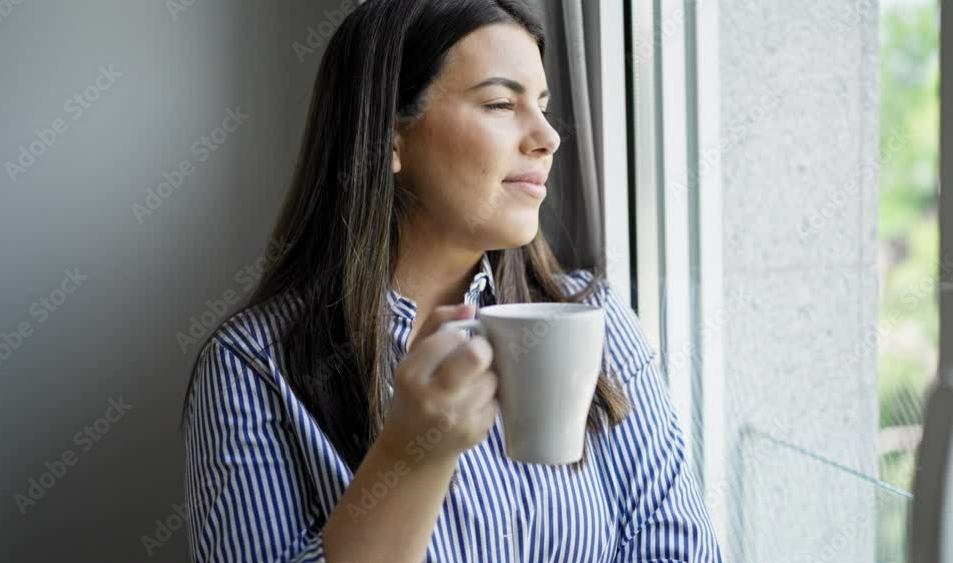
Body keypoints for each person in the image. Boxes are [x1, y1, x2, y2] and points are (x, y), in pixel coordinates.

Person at [180, 0, 722, 560]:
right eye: (500, 103)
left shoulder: (593, 317)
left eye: (542, 106)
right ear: (391, 138)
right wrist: (409, 457)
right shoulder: (251, 367)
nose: (548, 137)